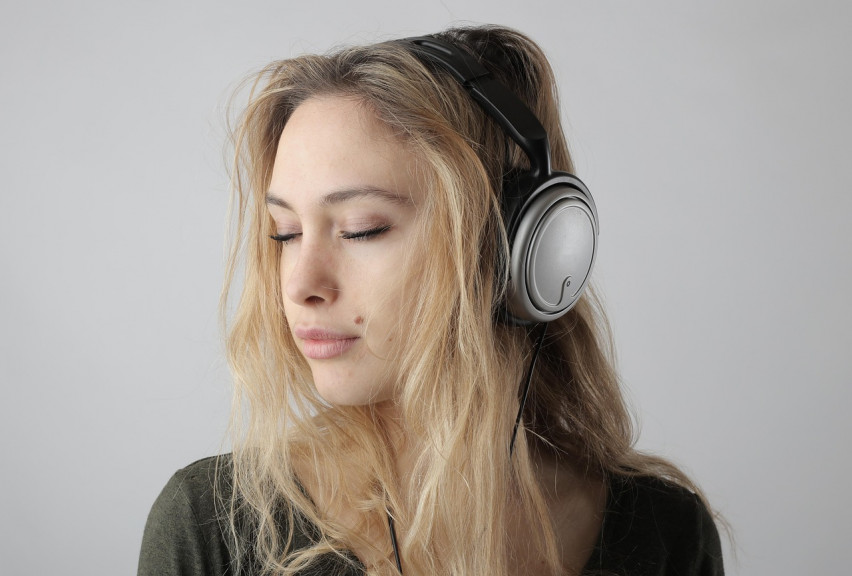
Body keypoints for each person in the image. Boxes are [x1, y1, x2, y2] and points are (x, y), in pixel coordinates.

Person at [138, 25, 724, 576]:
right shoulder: (211, 526)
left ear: (512, 251)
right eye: (285, 233)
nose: (298, 285)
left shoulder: (665, 532)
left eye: (362, 229)